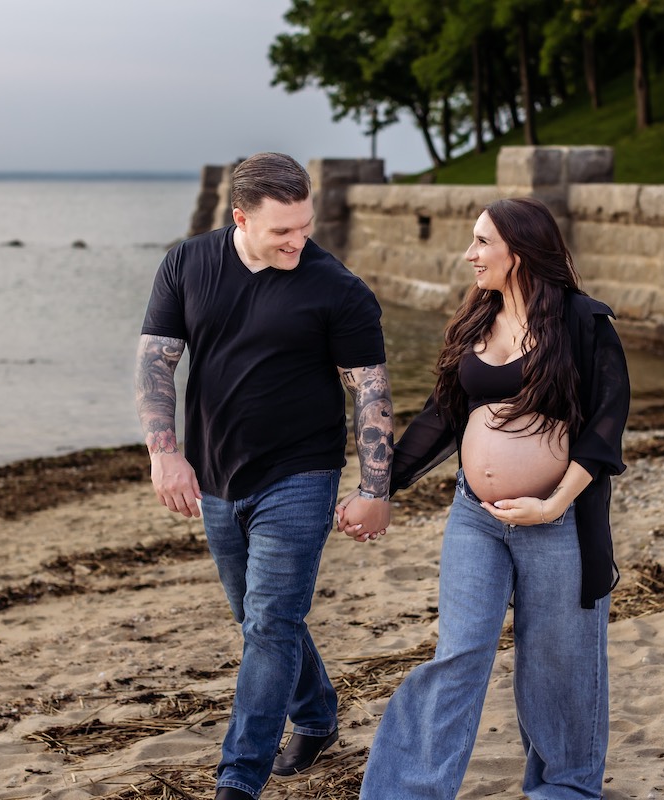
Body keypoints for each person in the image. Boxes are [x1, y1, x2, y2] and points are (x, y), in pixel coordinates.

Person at [340, 196, 630, 799]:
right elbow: (441, 416)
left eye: (481, 243)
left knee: (558, 662)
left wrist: (552, 504)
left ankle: (564, 788)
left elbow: (607, 425)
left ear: (518, 254)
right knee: (460, 652)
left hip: (559, 521)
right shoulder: (476, 318)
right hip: (475, 517)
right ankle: (406, 791)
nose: (469, 254)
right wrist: (378, 486)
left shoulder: (583, 323)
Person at [134, 152, 393, 800]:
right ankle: (317, 715)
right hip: (218, 476)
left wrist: (374, 488)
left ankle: (238, 780)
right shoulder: (187, 264)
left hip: (301, 473)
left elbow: (371, 393)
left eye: (304, 226)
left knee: (271, 620)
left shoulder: (337, 288)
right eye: (283, 231)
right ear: (240, 217)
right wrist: (164, 451)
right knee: (257, 619)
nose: (298, 241)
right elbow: (156, 364)